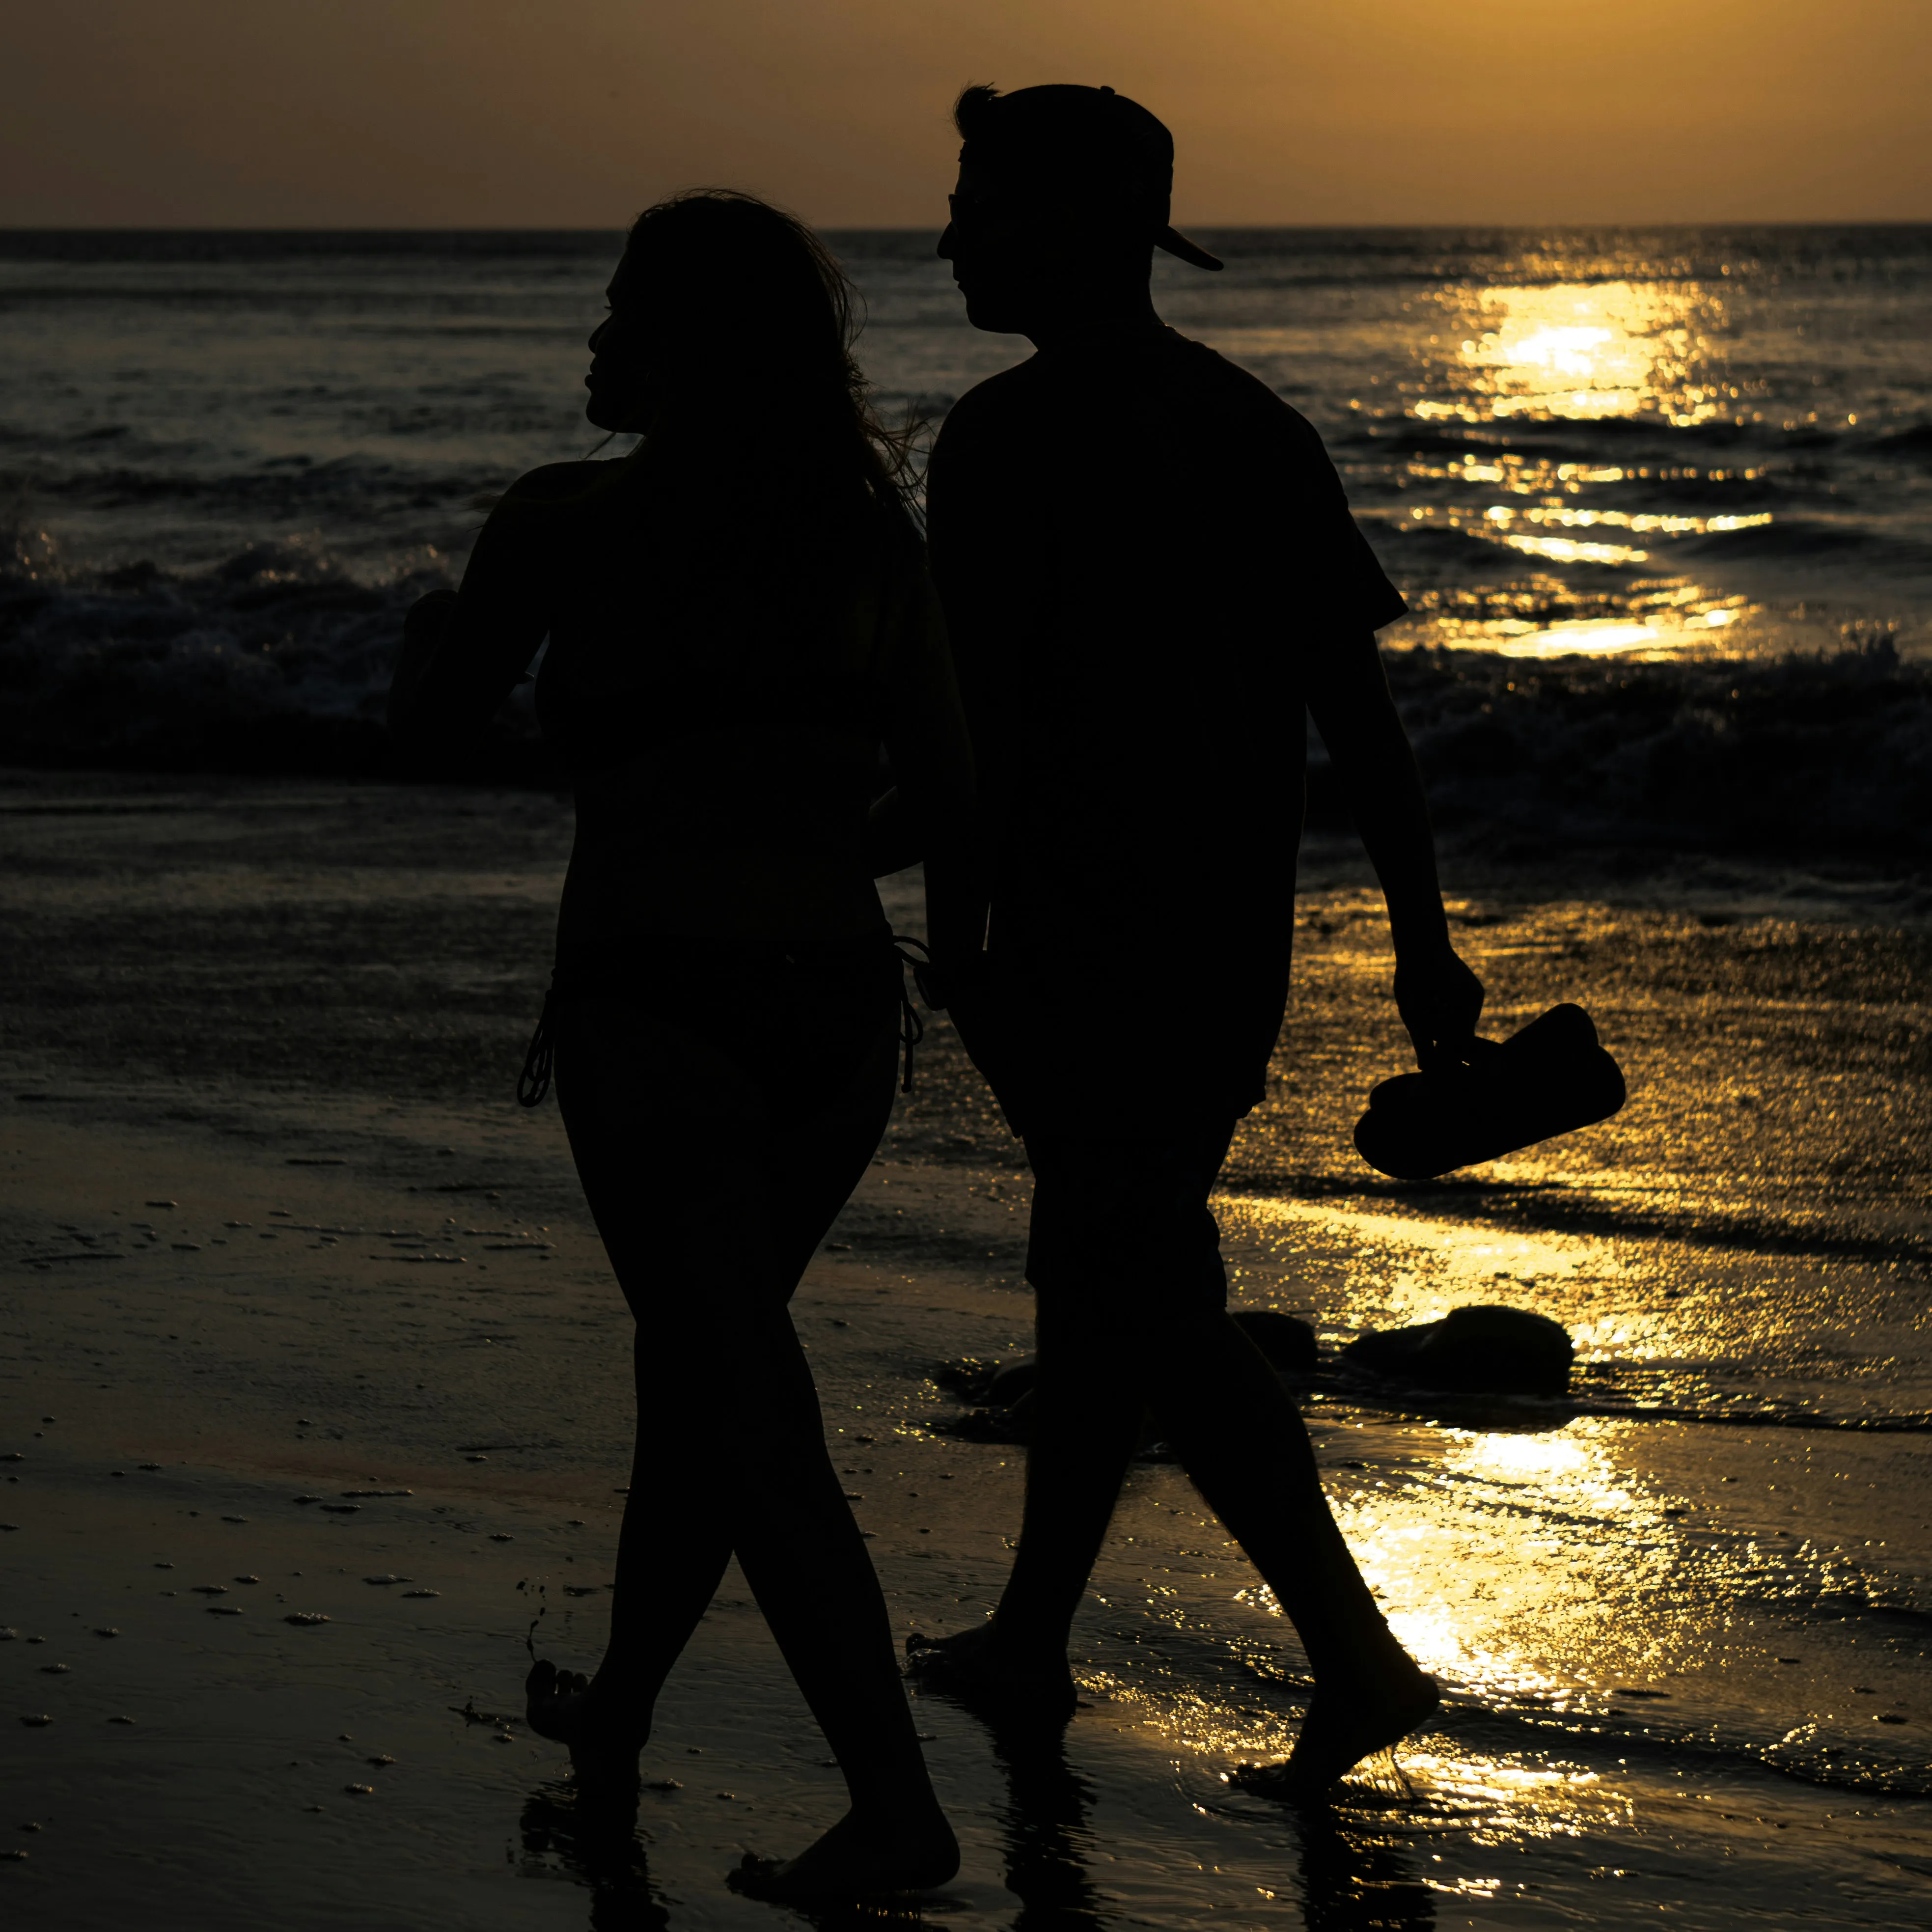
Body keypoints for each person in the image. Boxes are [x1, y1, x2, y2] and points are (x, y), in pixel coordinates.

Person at [386, 191, 974, 1899]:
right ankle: (623, 1717)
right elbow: (950, 796)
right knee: (705, 1378)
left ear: (685, 346)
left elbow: (425, 737)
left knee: (742, 1399)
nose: (594, 338)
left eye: (623, 310)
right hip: (840, 1021)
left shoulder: (563, 524)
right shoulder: (870, 532)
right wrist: (841, 878)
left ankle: (896, 1806)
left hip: (660, 1015)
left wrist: (439, 635)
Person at [904, 84, 1485, 1796]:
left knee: (1139, 1293)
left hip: (1080, 945)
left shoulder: (1002, 442)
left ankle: (1361, 1658)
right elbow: (1358, 723)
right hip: (1223, 943)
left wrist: (959, 949)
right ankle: (1028, 1632)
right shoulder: (1254, 428)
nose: (948, 235)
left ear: (1068, 230)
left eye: (978, 203)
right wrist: (1418, 940)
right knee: (1098, 1280)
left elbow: (979, 743)